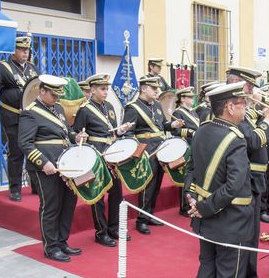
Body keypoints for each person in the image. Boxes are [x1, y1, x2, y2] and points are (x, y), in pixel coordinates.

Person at [185, 81, 262, 278]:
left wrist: (193, 199)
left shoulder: (201, 130)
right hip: (232, 221)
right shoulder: (236, 139)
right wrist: (204, 206)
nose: (246, 108)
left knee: (206, 270)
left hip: (206, 218)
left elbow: (191, 169)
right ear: (229, 107)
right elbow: (234, 185)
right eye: (243, 104)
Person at [226, 66, 269, 278]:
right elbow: (252, 141)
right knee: (243, 240)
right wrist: (268, 120)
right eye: (249, 87)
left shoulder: (247, 113)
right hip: (244, 181)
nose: (252, 93)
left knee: (252, 236)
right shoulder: (235, 115)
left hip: (256, 179)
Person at [18, 74, 88, 262]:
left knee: (68, 204)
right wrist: (43, 162)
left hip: (65, 165)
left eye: (58, 95)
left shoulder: (57, 108)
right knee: (51, 206)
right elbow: (25, 143)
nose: (57, 99)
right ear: (42, 91)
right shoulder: (30, 112)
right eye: (53, 95)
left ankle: (62, 241)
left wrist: (76, 137)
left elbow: (66, 132)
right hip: (46, 167)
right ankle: (50, 247)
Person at [72, 73, 133, 246]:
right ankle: (101, 231)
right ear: (92, 90)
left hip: (112, 156)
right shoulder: (84, 109)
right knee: (98, 195)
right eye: (102, 89)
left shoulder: (110, 107)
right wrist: (79, 136)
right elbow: (76, 133)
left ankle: (114, 228)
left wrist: (121, 131)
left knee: (116, 194)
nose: (106, 92)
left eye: (107, 88)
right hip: (96, 156)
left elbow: (112, 132)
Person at [122, 77, 185, 235]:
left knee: (156, 185)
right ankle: (141, 219)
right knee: (147, 185)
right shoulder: (133, 108)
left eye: (157, 88)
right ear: (143, 89)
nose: (157, 91)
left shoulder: (156, 105)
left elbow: (163, 126)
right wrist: (136, 151)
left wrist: (173, 125)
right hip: (147, 150)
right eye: (153, 88)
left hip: (160, 148)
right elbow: (129, 133)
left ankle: (149, 214)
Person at [0, 35, 39, 201]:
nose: (25, 53)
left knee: (34, 151)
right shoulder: (2, 68)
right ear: (13, 51)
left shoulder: (32, 69)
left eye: (27, 50)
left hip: (31, 117)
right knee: (16, 153)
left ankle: (35, 185)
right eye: (21, 50)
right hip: (12, 116)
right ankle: (15, 189)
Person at [172, 86, 200, 216]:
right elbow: (175, 131)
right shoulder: (178, 112)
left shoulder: (192, 112)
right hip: (186, 146)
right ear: (182, 98)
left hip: (195, 146)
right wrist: (190, 132)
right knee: (186, 177)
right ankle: (184, 207)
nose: (192, 99)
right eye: (189, 97)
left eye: (192, 97)